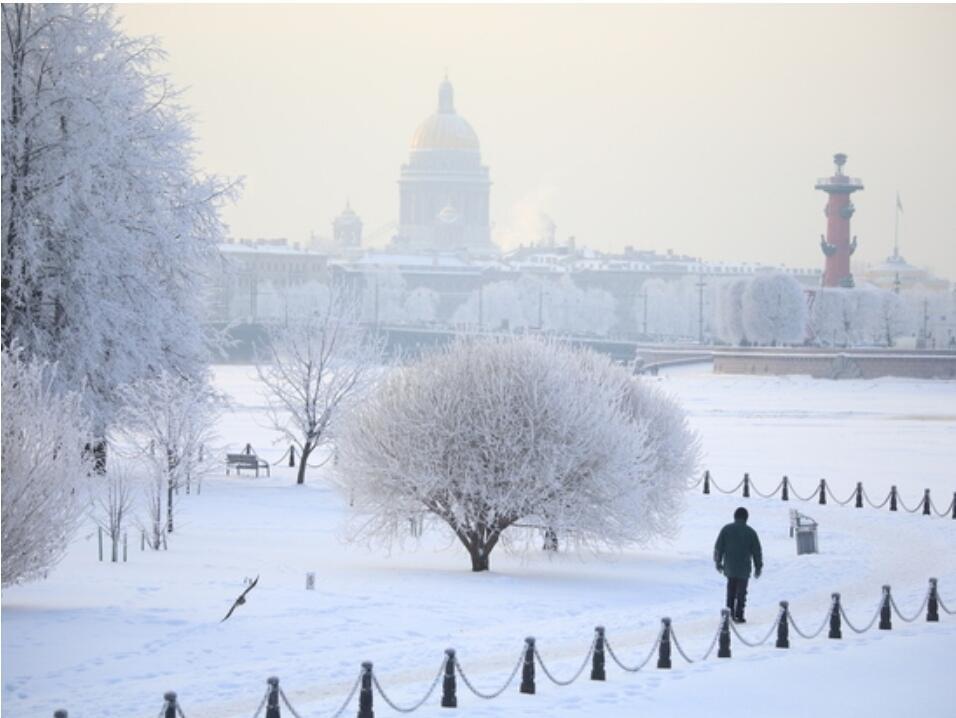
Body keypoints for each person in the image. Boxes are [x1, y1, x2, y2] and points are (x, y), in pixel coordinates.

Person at [714, 507, 763, 623]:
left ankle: (728, 613)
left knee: (730, 589)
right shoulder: (751, 532)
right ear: (746, 518)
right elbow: (757, 551)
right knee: (741, 592)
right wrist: (758, 567)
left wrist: (718, 562)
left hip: (729, 567)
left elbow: (718, 548)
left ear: (734, 516)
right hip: (744, 568)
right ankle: (739, 614)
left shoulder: (726, 529)